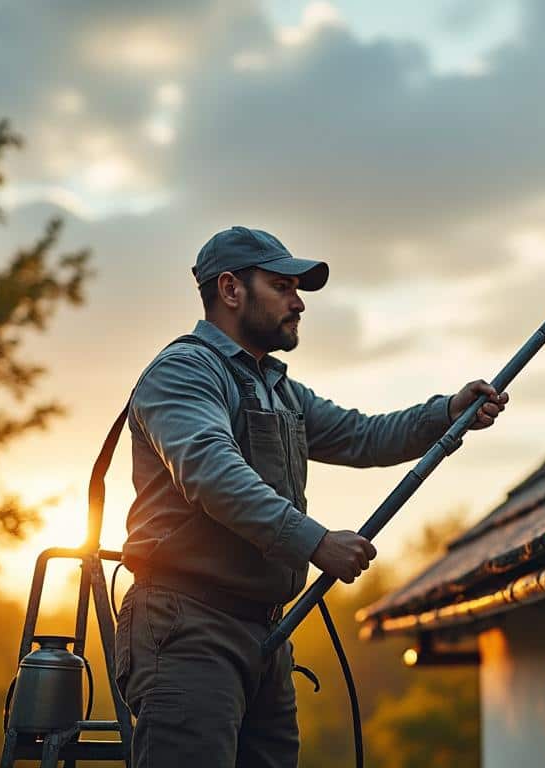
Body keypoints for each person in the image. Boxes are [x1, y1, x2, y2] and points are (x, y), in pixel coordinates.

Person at [113, 226, 507, 766]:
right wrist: (315, 542)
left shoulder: (279, 389)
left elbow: (362, 434)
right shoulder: (184, 372)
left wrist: (448, 412)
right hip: (189, 628)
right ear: (230, 289)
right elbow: (211, 472)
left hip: (266, 632)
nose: (298, 303)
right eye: (282, 287)